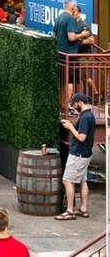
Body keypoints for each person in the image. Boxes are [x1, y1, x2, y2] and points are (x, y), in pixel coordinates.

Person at [57, 92, 96, 220]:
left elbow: (81, 137)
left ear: (79, 102)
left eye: (74, 104)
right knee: (83, 180)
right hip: (85, 154)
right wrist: (72, 126)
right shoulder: (89, 115)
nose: (73, 107)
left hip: (78, 155)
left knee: (67, 180)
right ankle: (83, 209)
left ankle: (69, 211)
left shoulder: (85, 117)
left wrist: (69, 127)